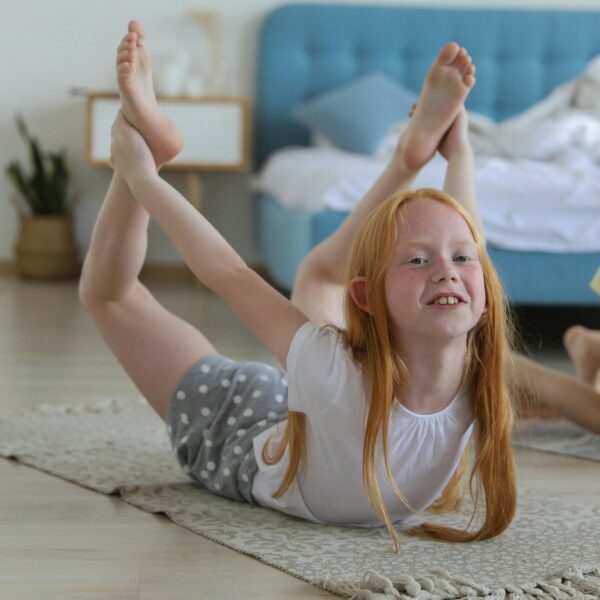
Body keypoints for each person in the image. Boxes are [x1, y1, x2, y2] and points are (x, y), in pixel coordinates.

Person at [79, 22, 600, 553]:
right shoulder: (335, 371)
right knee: (110, 296)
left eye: (460, 261)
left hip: (316, 411)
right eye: (418, 260)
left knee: (319, 276)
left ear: (484, 292)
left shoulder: (480, 371)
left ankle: (407, 160)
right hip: (233, 421)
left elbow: (469, 243)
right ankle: (141, 155)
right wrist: (144, 180)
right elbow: (230, 274)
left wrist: (459, 154)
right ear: (368, 299)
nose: (448, 271)